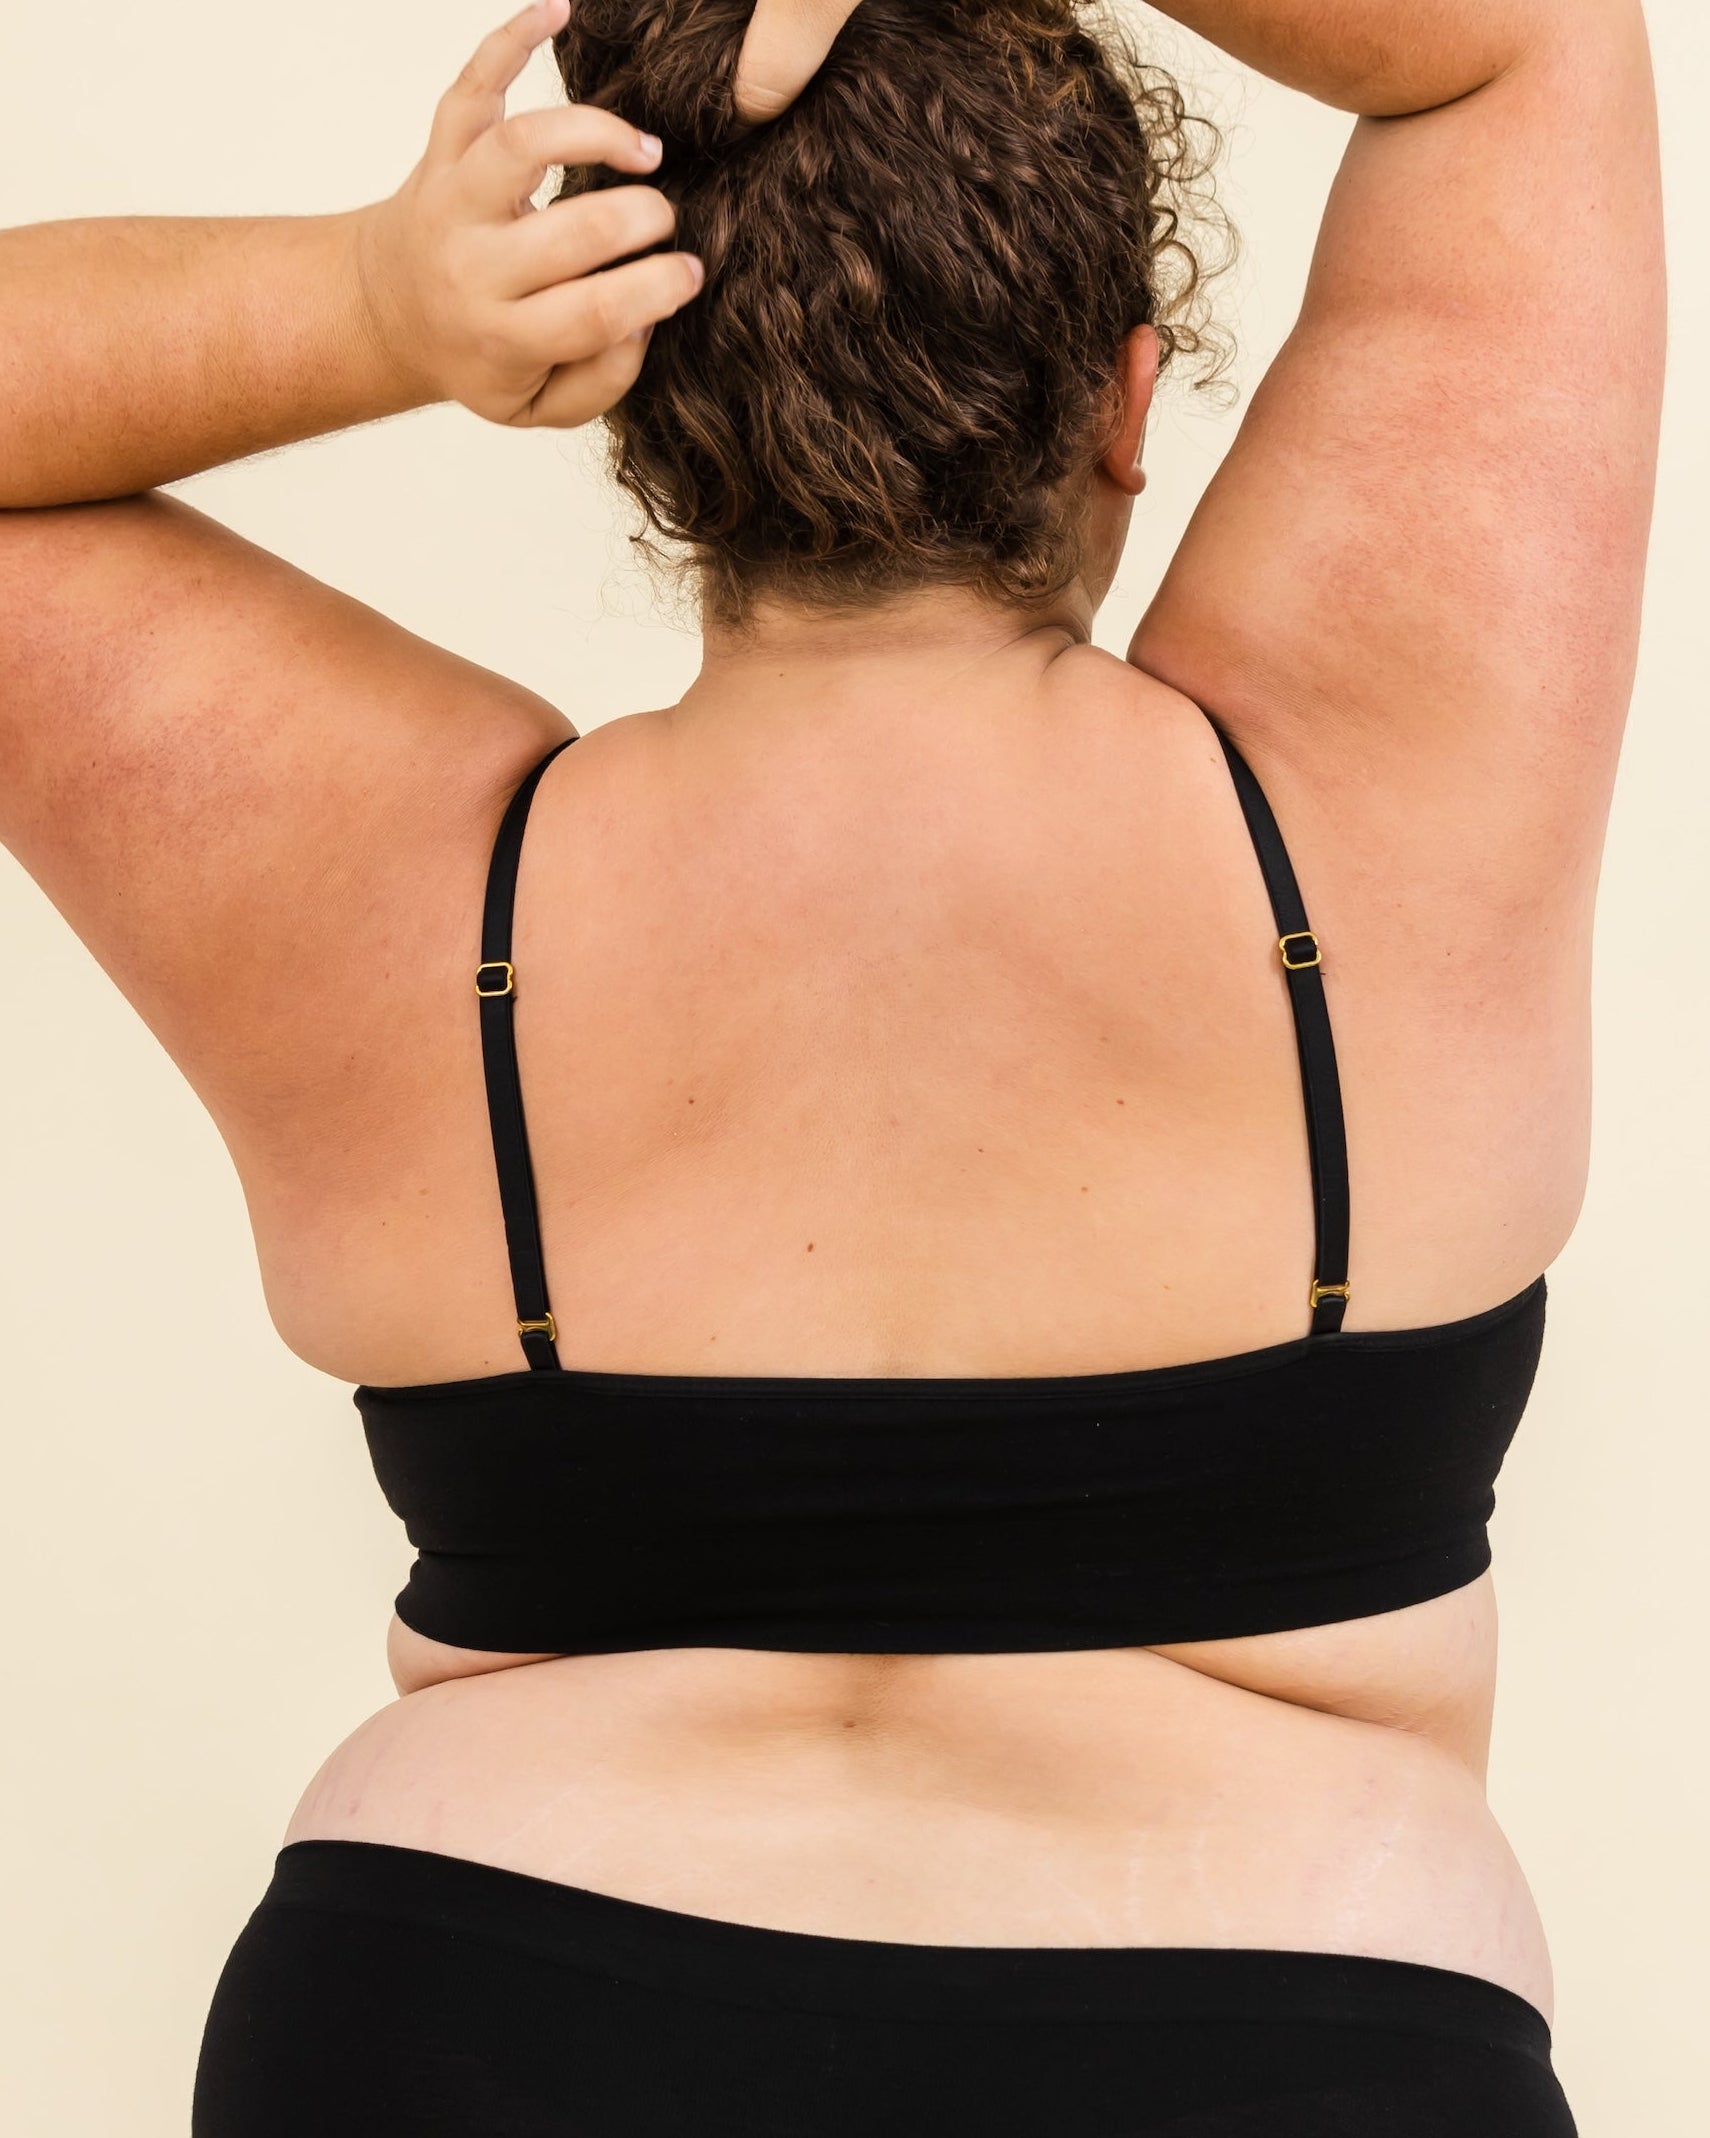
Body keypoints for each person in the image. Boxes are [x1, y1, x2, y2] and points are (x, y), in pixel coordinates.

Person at [0, 0, 1664, 2130]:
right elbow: (1524, 42)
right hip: (1283, 2034)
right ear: (1125, 402)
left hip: (458, 2022)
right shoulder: (1371, 795)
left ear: (636, 398)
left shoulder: (420, 895)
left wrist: (378, 305)